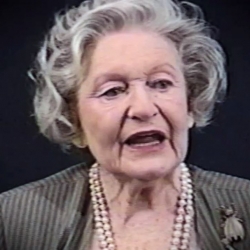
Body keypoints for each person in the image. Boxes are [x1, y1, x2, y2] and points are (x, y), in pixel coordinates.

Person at [0, 0, 249, 249]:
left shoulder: (244, 205)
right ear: (74, 118)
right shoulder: (14, 220)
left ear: (190, 103)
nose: (143, 108)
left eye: (161, 84)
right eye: (113, 91)